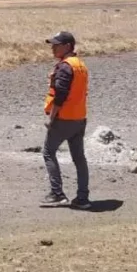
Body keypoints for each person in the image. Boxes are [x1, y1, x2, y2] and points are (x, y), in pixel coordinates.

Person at [40, 31, 91, 209]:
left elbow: (60, 95)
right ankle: (83, 198)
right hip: (79, 117)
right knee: (79, 158)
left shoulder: (65, 67)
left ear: (67, 46)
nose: (53, 48)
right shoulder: (80, 65)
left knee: (48, 152)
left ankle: (57, 194)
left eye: (56, 45)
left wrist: (52, 118)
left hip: (64, 118)